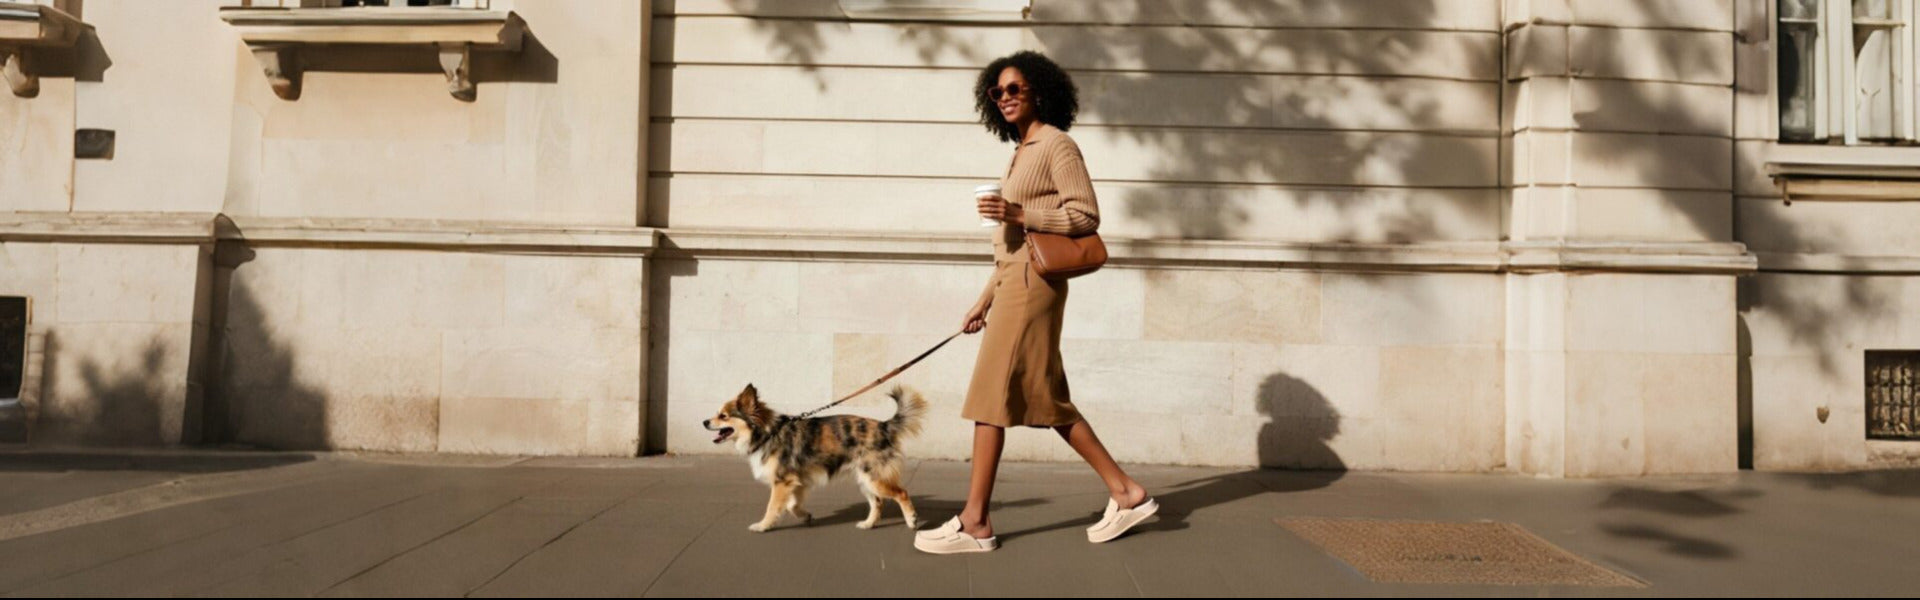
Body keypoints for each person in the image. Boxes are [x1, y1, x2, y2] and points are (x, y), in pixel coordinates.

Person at [913, 50, 1158, 555]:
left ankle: (976, 521)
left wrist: (1020, 211)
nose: (1003, 97)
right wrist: (985, 298)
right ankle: (1125, 492)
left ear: (1038, 92)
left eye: (1013, 89)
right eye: (995, 91)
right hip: (1013, 284)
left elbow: (1085, 216)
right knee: (1046, 398)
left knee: (990, 397)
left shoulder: (1057, 145)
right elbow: (1010, 246)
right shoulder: (1022, 150)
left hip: (1034, 286)